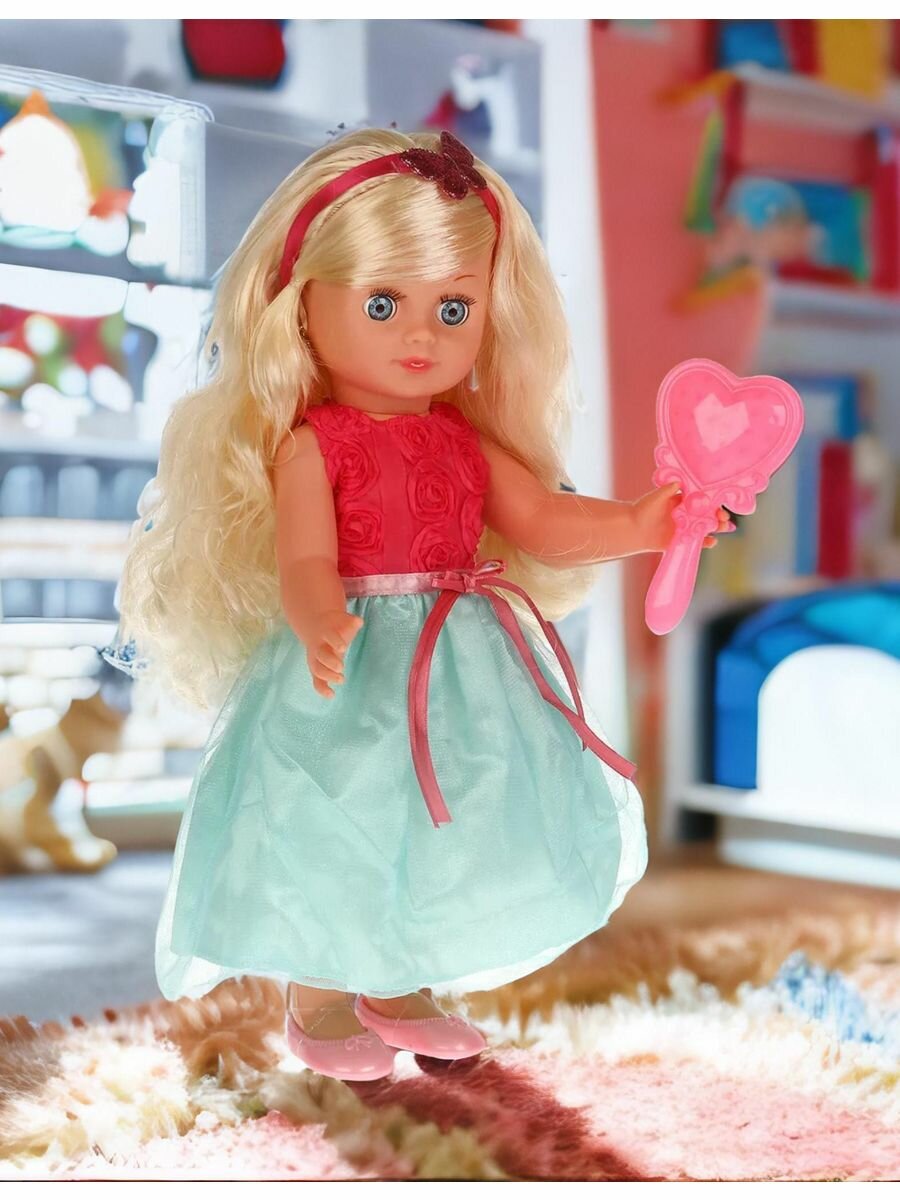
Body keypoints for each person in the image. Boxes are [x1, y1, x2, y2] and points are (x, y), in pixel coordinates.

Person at [113, 128, 730, 1081]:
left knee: (448, 824)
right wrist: (318, 617)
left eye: (453, 309)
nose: (421, 336)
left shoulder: (462, 439)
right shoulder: (313, 444)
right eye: (383, 304)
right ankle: (320, 995)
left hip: (460, 668)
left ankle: (401, 987)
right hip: (350, 660)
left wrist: (642, 523)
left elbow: (543, 520)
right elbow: (306, 554)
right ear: (303, 309)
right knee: (335, 817)